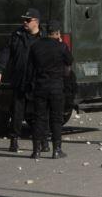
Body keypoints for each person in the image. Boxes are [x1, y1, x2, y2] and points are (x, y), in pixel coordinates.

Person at [23, 18, 73, 159]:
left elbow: (30, 68)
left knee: (39, 118)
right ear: (57, 33)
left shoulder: (36, 46)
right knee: (56, 119)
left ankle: (36, 150)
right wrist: (62, 44)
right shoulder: (61, 47)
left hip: (40, 87)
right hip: (56, 87)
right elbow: (69, 60)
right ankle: (56, 150)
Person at [0, 8, 42, 153]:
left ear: (36, 22)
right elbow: (6, 52)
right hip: (20, 78)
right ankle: (14, 140)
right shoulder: (17, 34)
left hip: (36, 80)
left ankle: (41, 141)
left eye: (28, 20)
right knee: (17, 112)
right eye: (24, 20)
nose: (24, 22)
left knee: (37, 113)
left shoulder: (43, 37)